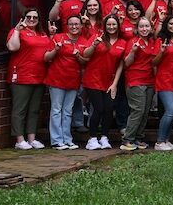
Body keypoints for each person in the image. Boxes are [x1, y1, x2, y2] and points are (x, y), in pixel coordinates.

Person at [6, 8, 52, 150]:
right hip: (22, 76)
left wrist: (52, 35)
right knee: (20, 109)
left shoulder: (42, 33)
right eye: (29, 17)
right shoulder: (16, 31)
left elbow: (49, 51)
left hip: (39, 76)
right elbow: (12, 47)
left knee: (34, 110)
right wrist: (17, 31)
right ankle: (19, 140)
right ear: (23, 17)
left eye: (35, 17)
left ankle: (31, 138)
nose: (32, 19)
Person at [80, 15, 126, 150]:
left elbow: (120, 65)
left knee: (109, 109)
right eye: (109, 25)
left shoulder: (123, 43)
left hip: (109, 81)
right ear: (105, 26)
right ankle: (92, 138)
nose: (111, 27)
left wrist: (115, 84)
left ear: (118, 26)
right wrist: (94, 45)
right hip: (93, 79)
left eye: (114, 24)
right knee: (99, 109)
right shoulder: (97, 37)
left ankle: (104, 137)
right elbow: (86, 54)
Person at [45, 15, 86, 150]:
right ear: (67, 26)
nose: (74, 27)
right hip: (56, 79)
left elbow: (84, 62)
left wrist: (78, 56)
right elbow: (46, 57)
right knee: (56, 110)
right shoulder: (58, 37)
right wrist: (56, 50)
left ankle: (67, 139)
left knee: (68, 111)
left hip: (73, 80)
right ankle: (57, 140)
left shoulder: (83, 41)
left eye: (76, 24)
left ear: (81, 26)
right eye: (71, 24)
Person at [120, 17, 159, 150]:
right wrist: (133, 51)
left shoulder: (153, 41)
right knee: (138, 110)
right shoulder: (132, 41)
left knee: (145, 111)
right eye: (141, 26)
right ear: (137, 29)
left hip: (149, 80)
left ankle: (138, 137)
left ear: (151, 28)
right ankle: (127, 139)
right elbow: (126, 63)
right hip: (135, 80)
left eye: (147, 26)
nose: (144, 29)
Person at [153, 15, 173, 151]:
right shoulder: (160, 40)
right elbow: (154, 62)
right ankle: (159, 141)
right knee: (170, 110)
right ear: (166, 25)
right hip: (165, 80)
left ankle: (166, 139)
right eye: (171, 24)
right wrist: (161, 52)